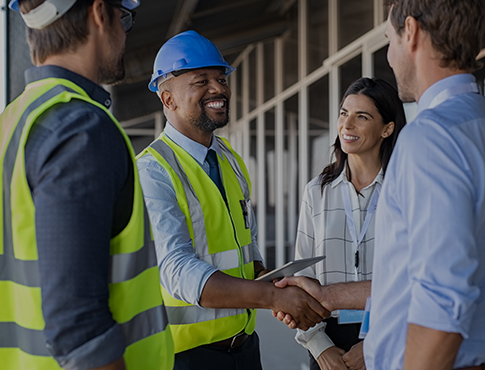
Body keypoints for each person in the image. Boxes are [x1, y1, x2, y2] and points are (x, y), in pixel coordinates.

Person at [275, 0, 485, 369]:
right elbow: (413, 279)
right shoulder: (474, 123)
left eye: (389, 39)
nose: (388, 55)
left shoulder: (430, 138)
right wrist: (328, 296)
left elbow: (441, 297)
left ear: (413, 32)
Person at [136, 30, 328, 370]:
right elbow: (179, 272)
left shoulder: (229, 160)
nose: (219, 89)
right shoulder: (153, 171)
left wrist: (278, 281)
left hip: (244, 349)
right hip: (185, 359)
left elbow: (244, 250)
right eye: (202, 81)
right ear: (168, 99)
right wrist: (274, 297)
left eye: (221, 78)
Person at [0, 1, 174, 369]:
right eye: (122, 17)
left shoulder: (13, 122)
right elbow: (79, 330)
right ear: (99, 13)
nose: (124, 33)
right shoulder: (81, 130)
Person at [294, 77, 405, 370]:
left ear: (387, 128)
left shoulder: (405, 190)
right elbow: (302, 273)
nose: (347, 125)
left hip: (391, 335)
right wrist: (320, 349)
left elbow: (415, 276)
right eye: (344, 113)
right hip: (328, 337)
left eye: (362, 117)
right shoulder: (316, 190)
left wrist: (375, 344)